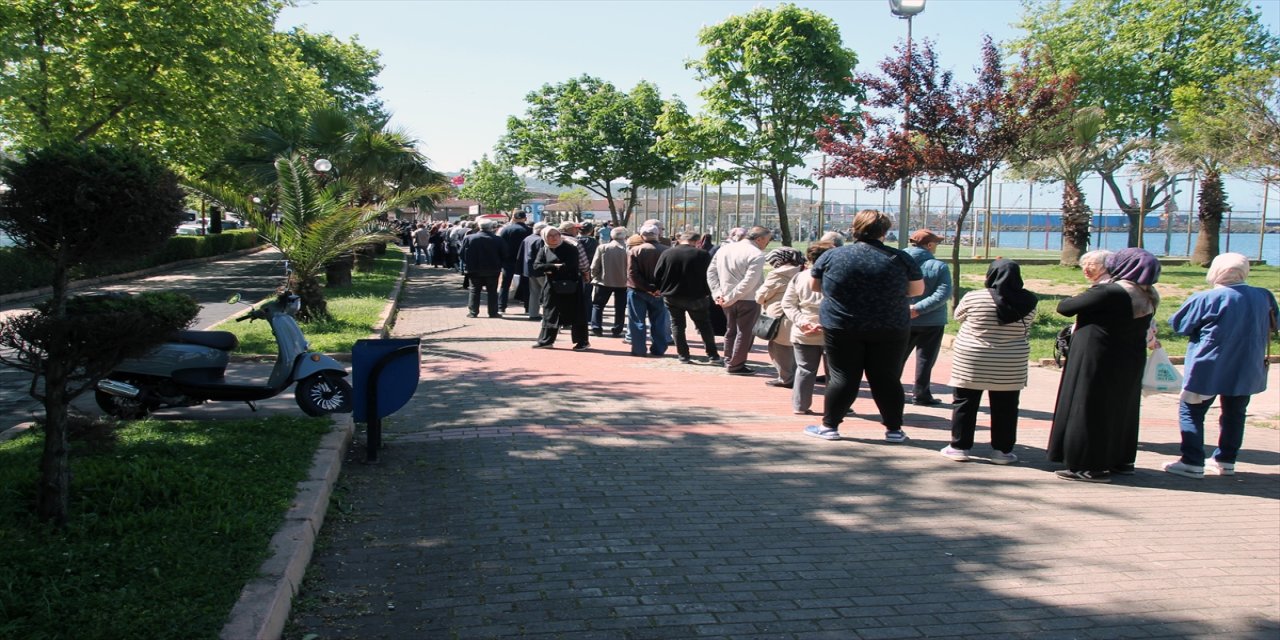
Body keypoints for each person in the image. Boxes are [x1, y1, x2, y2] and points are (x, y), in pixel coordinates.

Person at [802, 210, 923, 444]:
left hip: (842, 325)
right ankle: (894, 429)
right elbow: (916, 290)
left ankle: (830, 426)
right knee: (886, 377)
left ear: (853, 228)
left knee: (842, 376)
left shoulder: (833, 256)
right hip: (890, 325)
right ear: (885, 232)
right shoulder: (900, 258)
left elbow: (815, 286)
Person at [1048, 247, 1161, 483]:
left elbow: (1066, 307)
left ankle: (1088, 465)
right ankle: (1121, 460)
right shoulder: (1147, 293)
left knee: (1089, 408)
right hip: (1129, 358)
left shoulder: (1111, 291)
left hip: (1098, 357)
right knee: (1122, 409)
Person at [1163, 253, 1278, 479]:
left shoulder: (1206, 298)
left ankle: (1192, 460)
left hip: (1209, 364)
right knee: (1235, 413)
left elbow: (1180, 325)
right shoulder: (1264, 296)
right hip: (1247, 365)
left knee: (1192, 410)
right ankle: (1226, 460)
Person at [941, 259, 1038, 464]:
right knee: (1007, 407)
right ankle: (1002, 452)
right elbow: (1029, 324)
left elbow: (958, 316)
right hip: (1011, 363)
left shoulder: (974, 297)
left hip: (972, 360)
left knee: (965, 403)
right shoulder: (1029, 301)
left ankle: (960, 447)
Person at [707, 226, 771, 375]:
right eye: (766, 241)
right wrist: (727, 296)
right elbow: (750, 281)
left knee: (731, 330)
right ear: (759, 239)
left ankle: (729, 359)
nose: (766, 244)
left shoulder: (724, 249)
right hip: (746, 299)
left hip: (725, 297)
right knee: (744, 332)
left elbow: (711, 272)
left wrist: (718, 293)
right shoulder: (756, 254)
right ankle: (735, 364)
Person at [782, 241, 835, 415]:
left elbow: (788, 304)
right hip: (832, 330)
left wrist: (802, 321)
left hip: (804, 330)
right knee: (835, 372)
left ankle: (800, 405)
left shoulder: (799, 277)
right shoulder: (837, 277)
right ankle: (837, 405)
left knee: (804, 370)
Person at [654, 231, 721, 364]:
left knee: (677, 325)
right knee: (704, 325)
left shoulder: (668, 253)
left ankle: (683, 355)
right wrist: (709, 291)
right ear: (697, 241)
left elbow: (657, 274)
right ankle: (712, 354)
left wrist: (660, 288)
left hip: (672, 294)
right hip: (697, 295)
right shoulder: (702, 254)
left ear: (680, 240)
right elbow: (709, 275)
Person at [902, 229, 951, 405]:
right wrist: (919, 308)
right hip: (932, 320)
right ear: (929, 245)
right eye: (936, 243)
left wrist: (907, 307)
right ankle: (921, 393)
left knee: (897, 357)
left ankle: (893, 390)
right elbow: (944, 293)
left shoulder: (897, 262)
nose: (936, 246)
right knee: (925, 359)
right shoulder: (939, 266)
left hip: (902, 317)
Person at [531, 226, 590, 350]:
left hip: (571, 286)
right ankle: (546, 340)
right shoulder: (544, 249)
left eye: (555, 235)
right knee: (550, 312)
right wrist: (554, 266)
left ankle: (582, 341)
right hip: (552, 287)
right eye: (549, 236)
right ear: (544, 237)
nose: (553, 238)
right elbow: (537, 266)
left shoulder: (570, 248)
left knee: (576, 313)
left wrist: (549, 268)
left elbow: (570, 266)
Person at [755, 247, 806, 388]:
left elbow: (761, 296)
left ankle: (786, 378)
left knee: (778, 347)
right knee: (796, 347)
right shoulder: (804, 271)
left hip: (779, 316)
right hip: (799, 314)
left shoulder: (777, 274)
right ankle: (796, 376)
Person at [626, 224, 670, 357]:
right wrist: (657, 288)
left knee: (637, 321)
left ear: (641, 236)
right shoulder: (666, 250)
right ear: (658, 235)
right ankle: (659, 348)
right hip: (659, 292)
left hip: (637, 290)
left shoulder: (634, 251)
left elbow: (632, 274)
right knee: (659, 321)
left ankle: (639, 349)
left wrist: (647, 288)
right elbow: (669, 273)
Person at [459, 220, 506, 318]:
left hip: (474, 269)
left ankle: (473, 312)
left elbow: (462, 253)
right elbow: (505, 254)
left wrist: (468, 263)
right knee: (492, 292)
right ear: (491, 227)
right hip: (493, 269)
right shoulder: (498, 239)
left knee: (474, 290)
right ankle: (493, 312)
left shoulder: (469, 238)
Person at [589, 226, 629, 337]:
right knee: (620, 307)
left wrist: (595, 276)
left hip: (603, 281)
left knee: (598, 305)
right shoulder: (628, 249)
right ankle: (617, 330)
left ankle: (596, 327)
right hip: (623, 283)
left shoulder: (603, 247)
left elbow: (594, 265)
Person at [497, 210, 533, 314]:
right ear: (525, 218)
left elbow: (501, 245)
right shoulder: (529, 230)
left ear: (514, 218)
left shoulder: (506, 230)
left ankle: (501, 307)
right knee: (526, 284)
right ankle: (528, 307)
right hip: (524, 260)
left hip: (508, 260)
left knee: (505, 284)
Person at [517, 222, 548, 320]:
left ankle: (533, 313)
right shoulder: (540, 240)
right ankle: (547, 314)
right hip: (540, 270)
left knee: (534, 293)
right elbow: (544, 256)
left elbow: (520, 255)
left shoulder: (527, 238)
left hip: (529, 270)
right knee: (548, 292)